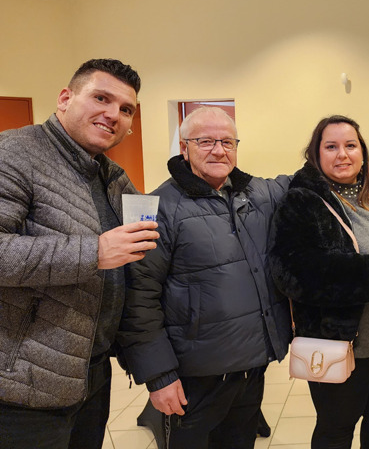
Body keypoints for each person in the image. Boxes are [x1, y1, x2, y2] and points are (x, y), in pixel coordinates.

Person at [0, 58, 159, 449]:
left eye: (126, 109)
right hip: (21, 385)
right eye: (101, 98)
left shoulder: (111, 175)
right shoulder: (14, 153)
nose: (114, 114)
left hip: (91, 372)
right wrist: (95, 251)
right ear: (65, 99)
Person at [116, 107, 292, 448]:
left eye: (227, 142)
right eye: (206, 141)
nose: (218, 150)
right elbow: (138, 299)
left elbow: (304, 180)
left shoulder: (256, 194)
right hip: (194, 376)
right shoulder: (157, 207)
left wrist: (366, 170)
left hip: (250, 368)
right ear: (184, 148)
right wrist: (159, 376)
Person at [269, 115, 369, 449]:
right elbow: (290, 272)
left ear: (362, 152)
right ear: (316, 154)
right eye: (331, 147)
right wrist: (367, 272)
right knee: (335, 432)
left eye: (350, 145)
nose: (342, 154)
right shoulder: (303, 200)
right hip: (337, 344)